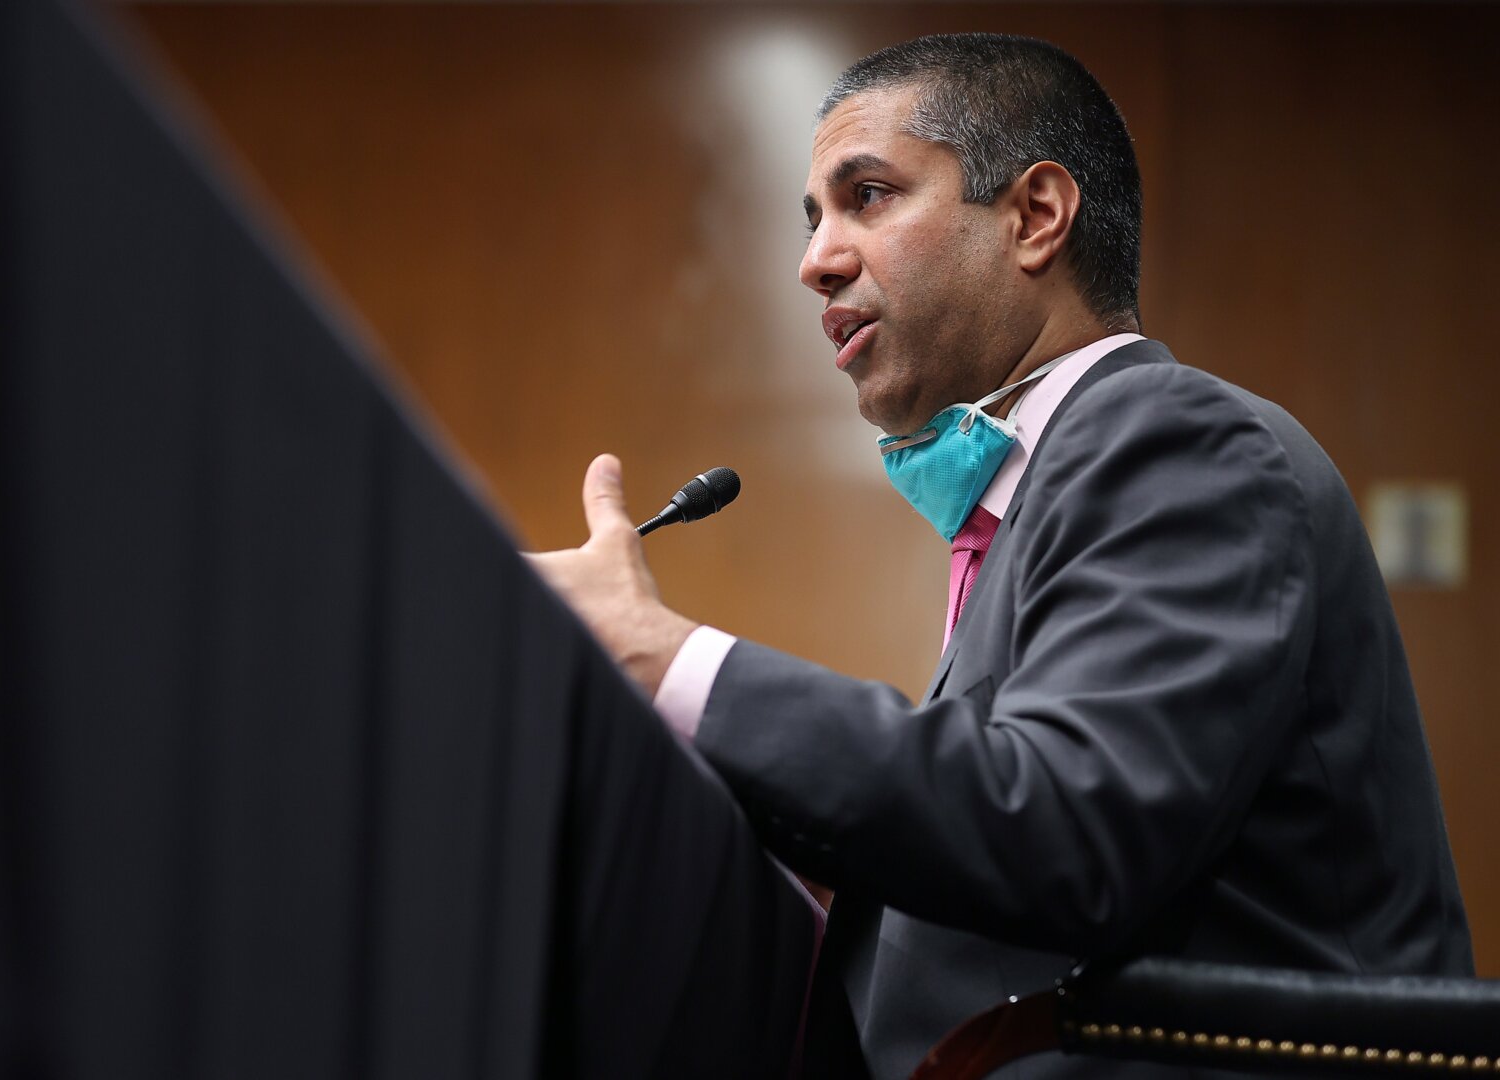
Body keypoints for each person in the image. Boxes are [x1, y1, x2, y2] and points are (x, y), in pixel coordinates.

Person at [527, 32, 1473, 1077]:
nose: (815, 260)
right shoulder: (1039, 494)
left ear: (1035, 216)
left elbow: (1061, 824)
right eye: (812, 218)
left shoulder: (1179, 443)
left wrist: (669, 661)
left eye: (869, 195)